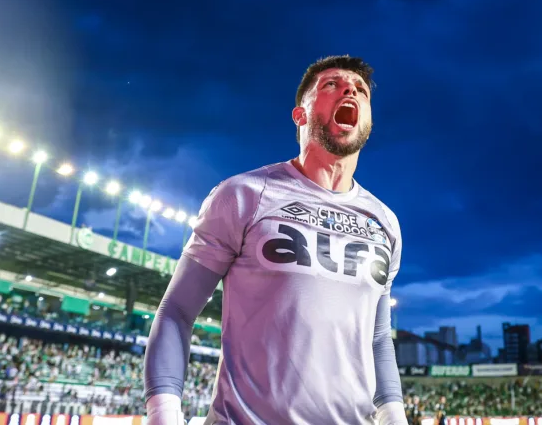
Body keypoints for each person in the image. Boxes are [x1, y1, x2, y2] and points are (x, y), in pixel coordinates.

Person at [144, 55, 405, 425]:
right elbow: (176, 312)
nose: (350, 89)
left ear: (368, 121)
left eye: (360, 90)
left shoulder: (385, 223)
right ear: (300, 114)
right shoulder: (244, 195)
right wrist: (163, 414)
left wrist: (394, 414)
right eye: (331, 84)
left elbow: (378, 338)